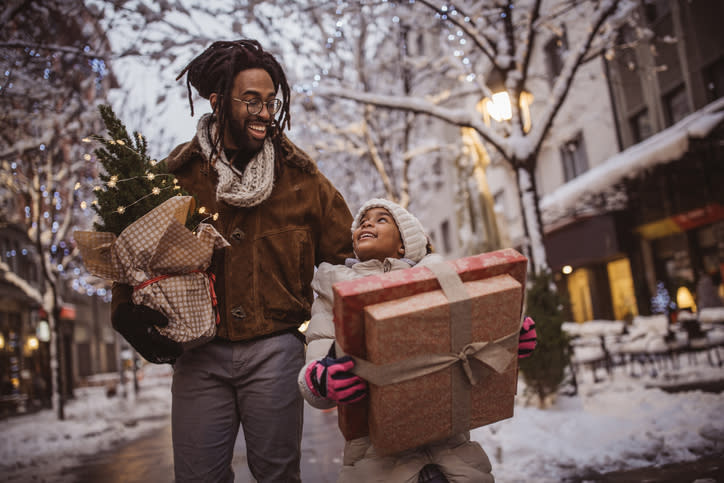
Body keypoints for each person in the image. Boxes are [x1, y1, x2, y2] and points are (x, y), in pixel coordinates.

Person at [109, 39, 354, 482]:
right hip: (198, 356)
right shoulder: (173, 179)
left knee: (278, 475)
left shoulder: (303, 180)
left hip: (277, 352)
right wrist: (123, 310)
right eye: (252, 100)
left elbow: (354, 260)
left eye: (271, 102)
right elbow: (132, 254)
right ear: (218, 101)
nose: (264, 112)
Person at [298, 198, 537, 483]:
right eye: (362, 221)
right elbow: (315, 371)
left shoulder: (446, 284)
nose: (367, 223)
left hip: (453, 453)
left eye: (381, 219)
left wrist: (507, 342)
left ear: (404, 244)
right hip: (375, 462)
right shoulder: (331, 296)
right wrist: (319, 379)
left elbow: (472, 353)